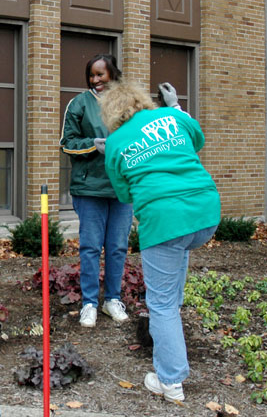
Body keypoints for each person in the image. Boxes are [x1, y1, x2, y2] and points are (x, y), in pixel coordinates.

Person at [99, 80, 220, 403]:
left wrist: (117, 152)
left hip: (166, 223)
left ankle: (170, 381)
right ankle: (172, 349)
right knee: (171, 292)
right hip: (205, 215)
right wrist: (176, 107)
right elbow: (197, 138)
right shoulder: (172, 117)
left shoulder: (115, 141)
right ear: (142, 100)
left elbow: (124, 194)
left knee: (162, 305)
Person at [60, 54, 134, 328]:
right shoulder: (79, 103)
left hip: (121, 189)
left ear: (113, 74)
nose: (96, 80)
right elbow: (67, 143)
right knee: (91, 248)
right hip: (89, 189)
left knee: (117, 247)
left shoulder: (128, 104)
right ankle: (89, 303)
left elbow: (142, 137)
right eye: (92, 75)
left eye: (101, 74)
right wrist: (93, 144)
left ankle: (112, 300)